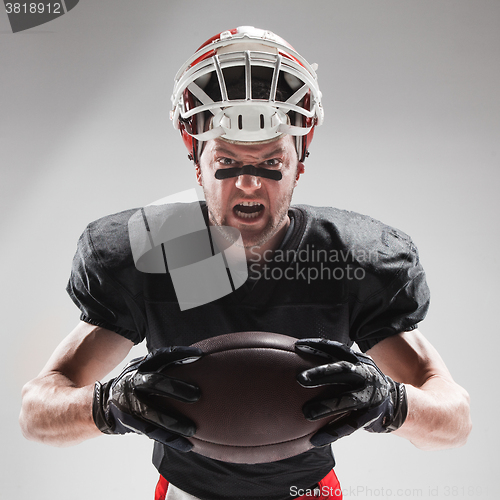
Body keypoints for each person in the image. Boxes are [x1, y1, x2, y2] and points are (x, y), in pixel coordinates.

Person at [19, 26, 471, 500]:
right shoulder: (159, 250)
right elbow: (37, 411)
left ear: (301, 160)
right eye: (228, 163)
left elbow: (453, 417)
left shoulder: (347, 257)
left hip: (308, 492)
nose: (250, 184)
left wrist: (390, 402)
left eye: (270, 164)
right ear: (196, 162)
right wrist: (106, 405)